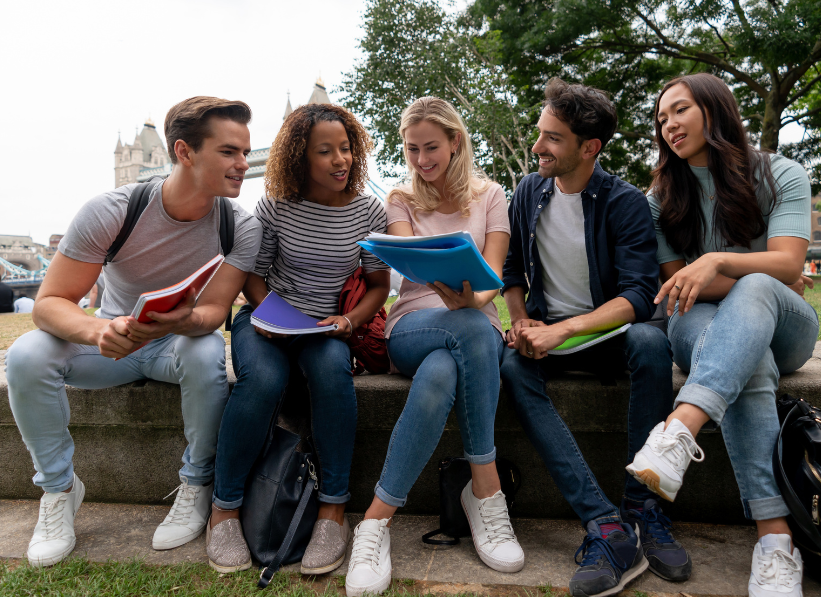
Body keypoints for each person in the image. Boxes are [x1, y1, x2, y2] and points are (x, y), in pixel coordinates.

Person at [4, 97, 263, 567]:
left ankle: (196, 483)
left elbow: (213, 311)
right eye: (229, 152)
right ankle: (59, 490)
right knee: (25, 355)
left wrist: (185, 321)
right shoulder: (112, 210)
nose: (243, 163)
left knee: (205, 349)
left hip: (174, 347)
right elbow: (49, 303)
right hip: (110, 345)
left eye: (245, 152)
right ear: (184, 152)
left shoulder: (240, 226)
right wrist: (97, 330)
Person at [627, 73, 817, 597]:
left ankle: (679, 429)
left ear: (715, 110)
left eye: (680, 110)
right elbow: (677, 287)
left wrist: (717, 262)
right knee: (749, 353)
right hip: (697, 321)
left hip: (787, 327)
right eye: (661, 118)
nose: (669, 125)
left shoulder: (781, 173)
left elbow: (787, 262)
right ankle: (775, 542)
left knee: (756, 289)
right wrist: (759, 275)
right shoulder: (659, 199)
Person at [500, 79, 687, 593]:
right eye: (540, 133)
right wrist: (521, 321)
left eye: (552, 138)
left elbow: (639, 297)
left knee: (652, 343)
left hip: (608, 334)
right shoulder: (528, 192)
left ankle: (643, 508)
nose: (537, 146)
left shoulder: (624, 202)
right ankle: (605, 524)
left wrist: (564, 330)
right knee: (513, 366)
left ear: (589, 148)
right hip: (550, 335)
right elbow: (512, 269)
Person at [345, 98, 523, 597]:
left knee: (446, 367)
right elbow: (412, 265)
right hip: (413, 326)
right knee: (468, 331)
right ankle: (486, 489)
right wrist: (452, 294)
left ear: (455, 142)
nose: (421, 159)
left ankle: (375, 521)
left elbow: (493, 275)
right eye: (412, 149)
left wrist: (472, 299)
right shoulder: (400, 198)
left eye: (431, 148)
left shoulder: (492, 195)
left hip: (474, 319)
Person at [208, 104, 391, 574]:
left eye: (345, 148)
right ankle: (224, 510)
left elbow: (377, 285)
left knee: (331, 373)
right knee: (263, 381)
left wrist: (348, 321)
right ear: (299, 157)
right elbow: (252, 276)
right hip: (266, 318)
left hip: (327, 327)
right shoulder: (275, 205)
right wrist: (276, 316)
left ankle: (333, 510)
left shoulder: (369, 210)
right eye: (325, 151)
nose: (340, 160)